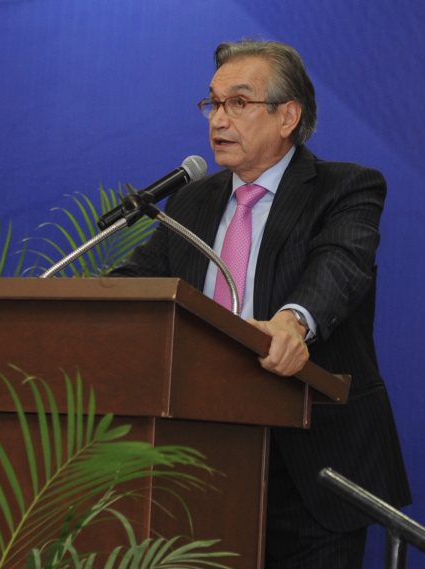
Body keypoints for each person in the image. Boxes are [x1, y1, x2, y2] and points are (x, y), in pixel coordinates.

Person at [111, 39, 411, 568]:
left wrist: (293, 323)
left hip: (312, 468)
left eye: (238, 102)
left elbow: (340, 266)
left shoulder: (345, 188)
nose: (218, 119)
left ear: (287, 116)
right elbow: (137, 282)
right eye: (212, 103)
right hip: (199, 459)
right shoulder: (191, 200)